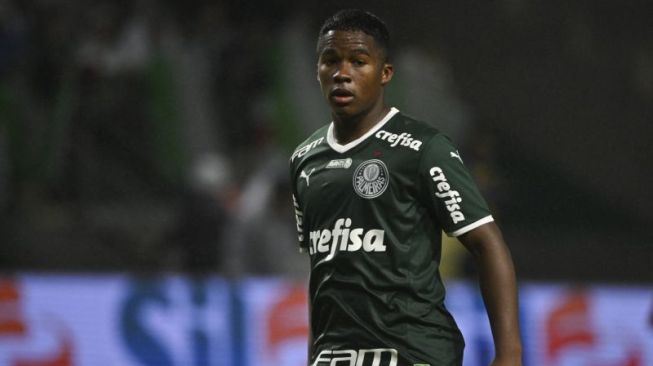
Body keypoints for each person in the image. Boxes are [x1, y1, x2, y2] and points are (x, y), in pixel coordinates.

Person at [289, 9, 522, 366]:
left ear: (385, 73)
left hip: (411, 354)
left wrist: (509, 354)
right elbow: (322, 275)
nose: (342, 74)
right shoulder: (304, 160)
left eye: (358, 61)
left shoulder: (423, 148)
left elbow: (487, 243)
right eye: (330, 61)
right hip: (334, 357)